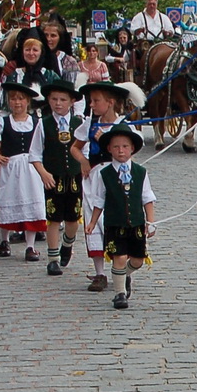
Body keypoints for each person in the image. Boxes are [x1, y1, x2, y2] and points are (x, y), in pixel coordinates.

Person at [83, 125, 157, 310]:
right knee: (120, 257)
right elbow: (98, 200)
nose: (121, 150)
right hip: (114, 224)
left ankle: (123, 276)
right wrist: (92, 222)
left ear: (132, 148)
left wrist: (151, 221)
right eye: (116, 147)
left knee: (137, 260)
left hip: (137, 224)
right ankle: (119, 293)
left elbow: (147, 197)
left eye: (125, 146)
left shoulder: (140, 172)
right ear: (109, 149)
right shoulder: (103, 174)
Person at [0, 82, 48, 260]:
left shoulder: (36, 123)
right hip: (10, 168)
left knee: (31, 202)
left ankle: (30, 246)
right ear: (9, 102)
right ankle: (4, 241)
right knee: (8, 200)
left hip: (31, 168)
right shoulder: (3, 122)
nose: (17, 102)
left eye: (21, 99)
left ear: (27, 102)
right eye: (13, 99)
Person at [74, 81, 129, 291]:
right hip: (95, 177)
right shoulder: (90, 123)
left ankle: (120, 269)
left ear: (110, 103)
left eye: (96, 101)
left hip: (117, 176)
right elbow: (75, 148)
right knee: (93, 220)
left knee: (117, 219)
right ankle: (99, 273)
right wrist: (84, 161)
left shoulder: (123, 125)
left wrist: (108, 140)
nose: (92, 104)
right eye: (91, 101)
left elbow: (131, 149)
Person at [32, 79, 84, 276]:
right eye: (54, 99)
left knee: (73, 219)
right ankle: (52, 259)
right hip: (53, 178)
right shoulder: (43, 124)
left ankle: (67, 245)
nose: (58, 103)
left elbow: (85, 151)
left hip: (74, 177)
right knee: (53, 218)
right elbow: (35, 154)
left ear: (71, 102)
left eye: (63, 99)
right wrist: (43, 172)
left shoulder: (79, 124)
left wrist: (85, 167)